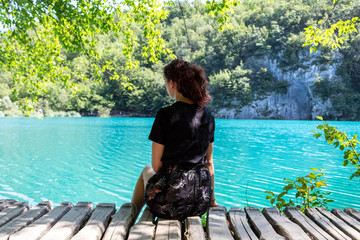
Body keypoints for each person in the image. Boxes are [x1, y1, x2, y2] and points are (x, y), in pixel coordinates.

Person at [131, 59, 219, 221]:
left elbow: (157, 166)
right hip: (199, 203)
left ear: (172, 83)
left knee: (146, 170)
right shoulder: (208, 117)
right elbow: (209, 163)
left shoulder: (165, 114)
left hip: (168, 204)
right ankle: (131, 217)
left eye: (166, 82)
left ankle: (130, 218)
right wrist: (211, 201)